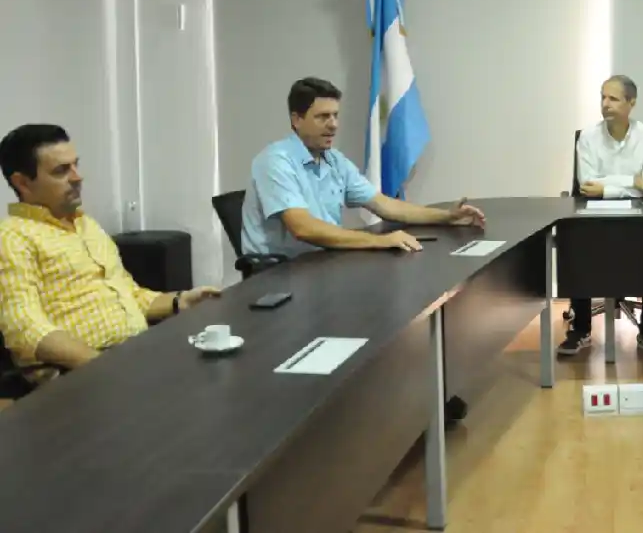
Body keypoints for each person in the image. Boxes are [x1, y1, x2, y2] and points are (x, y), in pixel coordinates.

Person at [0, 124, 221, 378]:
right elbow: (24, 326)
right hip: (79, 376)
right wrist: (103, 365)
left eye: (75, 165)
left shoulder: (86, 225)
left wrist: (179, 300)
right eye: (61, 171)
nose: (77, 177)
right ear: (23, 183)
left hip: (133, 355)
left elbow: (130, 294)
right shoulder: (12, 237)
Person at [241, 77, 486, 259]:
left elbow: (383, 205)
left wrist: (447, 216)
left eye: (335, 115)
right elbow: (303, 228)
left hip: (321, 262)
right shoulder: (275, 161)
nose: (333, 125)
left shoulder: (333, 160)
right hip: (278, 275)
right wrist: (378, 241)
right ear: (296, 119)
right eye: (322, 117)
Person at [558, 75, 643, 358]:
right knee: (574, 240)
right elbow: (587, 184)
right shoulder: (588, 137)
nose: (605, 104)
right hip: (593, 214)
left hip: (639, 215)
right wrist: (633, 182)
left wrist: (608, 186)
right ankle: (580, 328)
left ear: (632, 103)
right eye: (603, 97)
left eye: (613, 98)